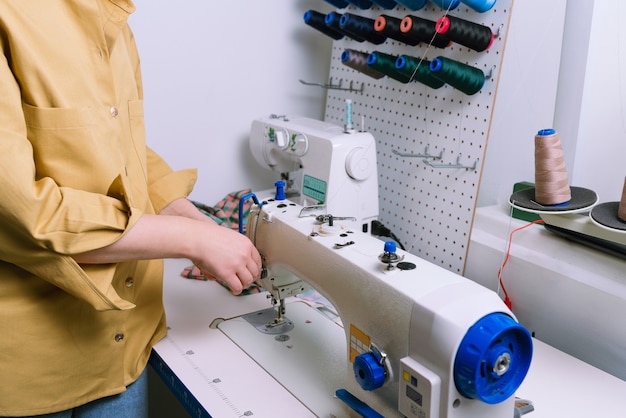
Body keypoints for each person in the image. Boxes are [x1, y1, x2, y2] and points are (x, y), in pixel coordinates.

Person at [0, 1, 262, 417]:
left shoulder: (110, 13)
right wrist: (192, 239)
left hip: (125, 348)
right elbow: (27, 216)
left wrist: (195, 220)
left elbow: (122, 149)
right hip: (31, 371)